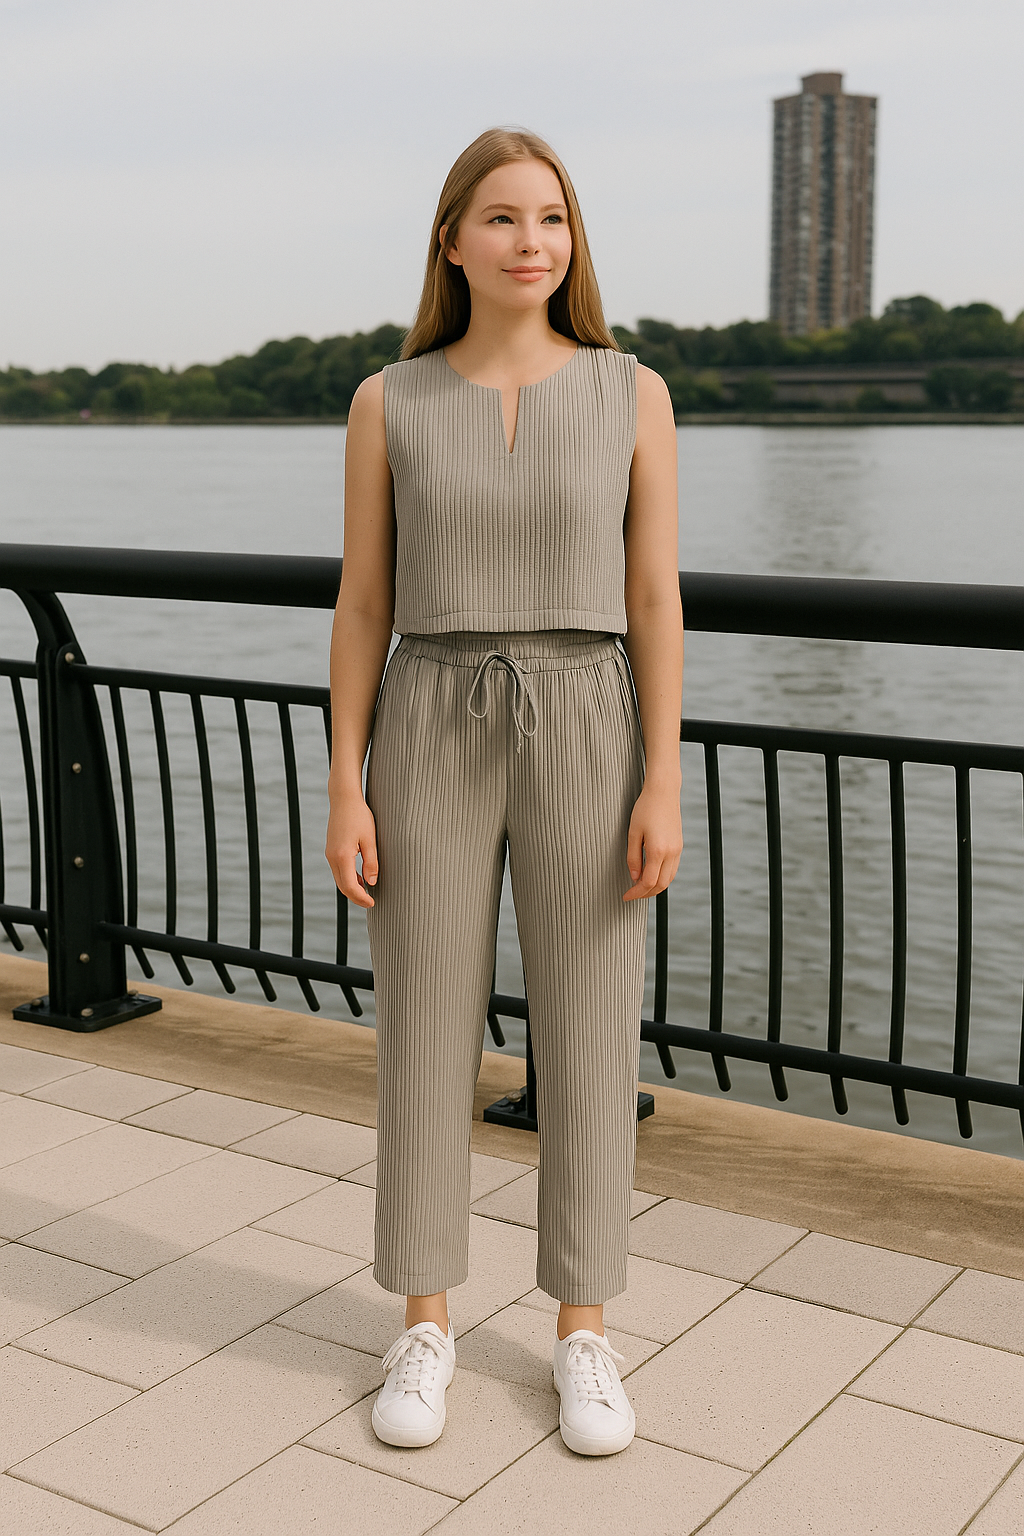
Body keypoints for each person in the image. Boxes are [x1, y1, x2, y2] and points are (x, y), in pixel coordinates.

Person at [325, 126, 683, 1458]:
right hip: (429, 710)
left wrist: (665, 778)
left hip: (590, 710)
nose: (532, 240)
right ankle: (424, 1320)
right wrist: (342, 782)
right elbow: (364, 603)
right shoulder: (388, 401)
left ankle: (582, 1333)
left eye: (553, 219)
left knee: (592, 1028)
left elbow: (654, 597)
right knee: (422, 1024)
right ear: (452, 239)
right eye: (504, 217)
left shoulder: (630, 391)